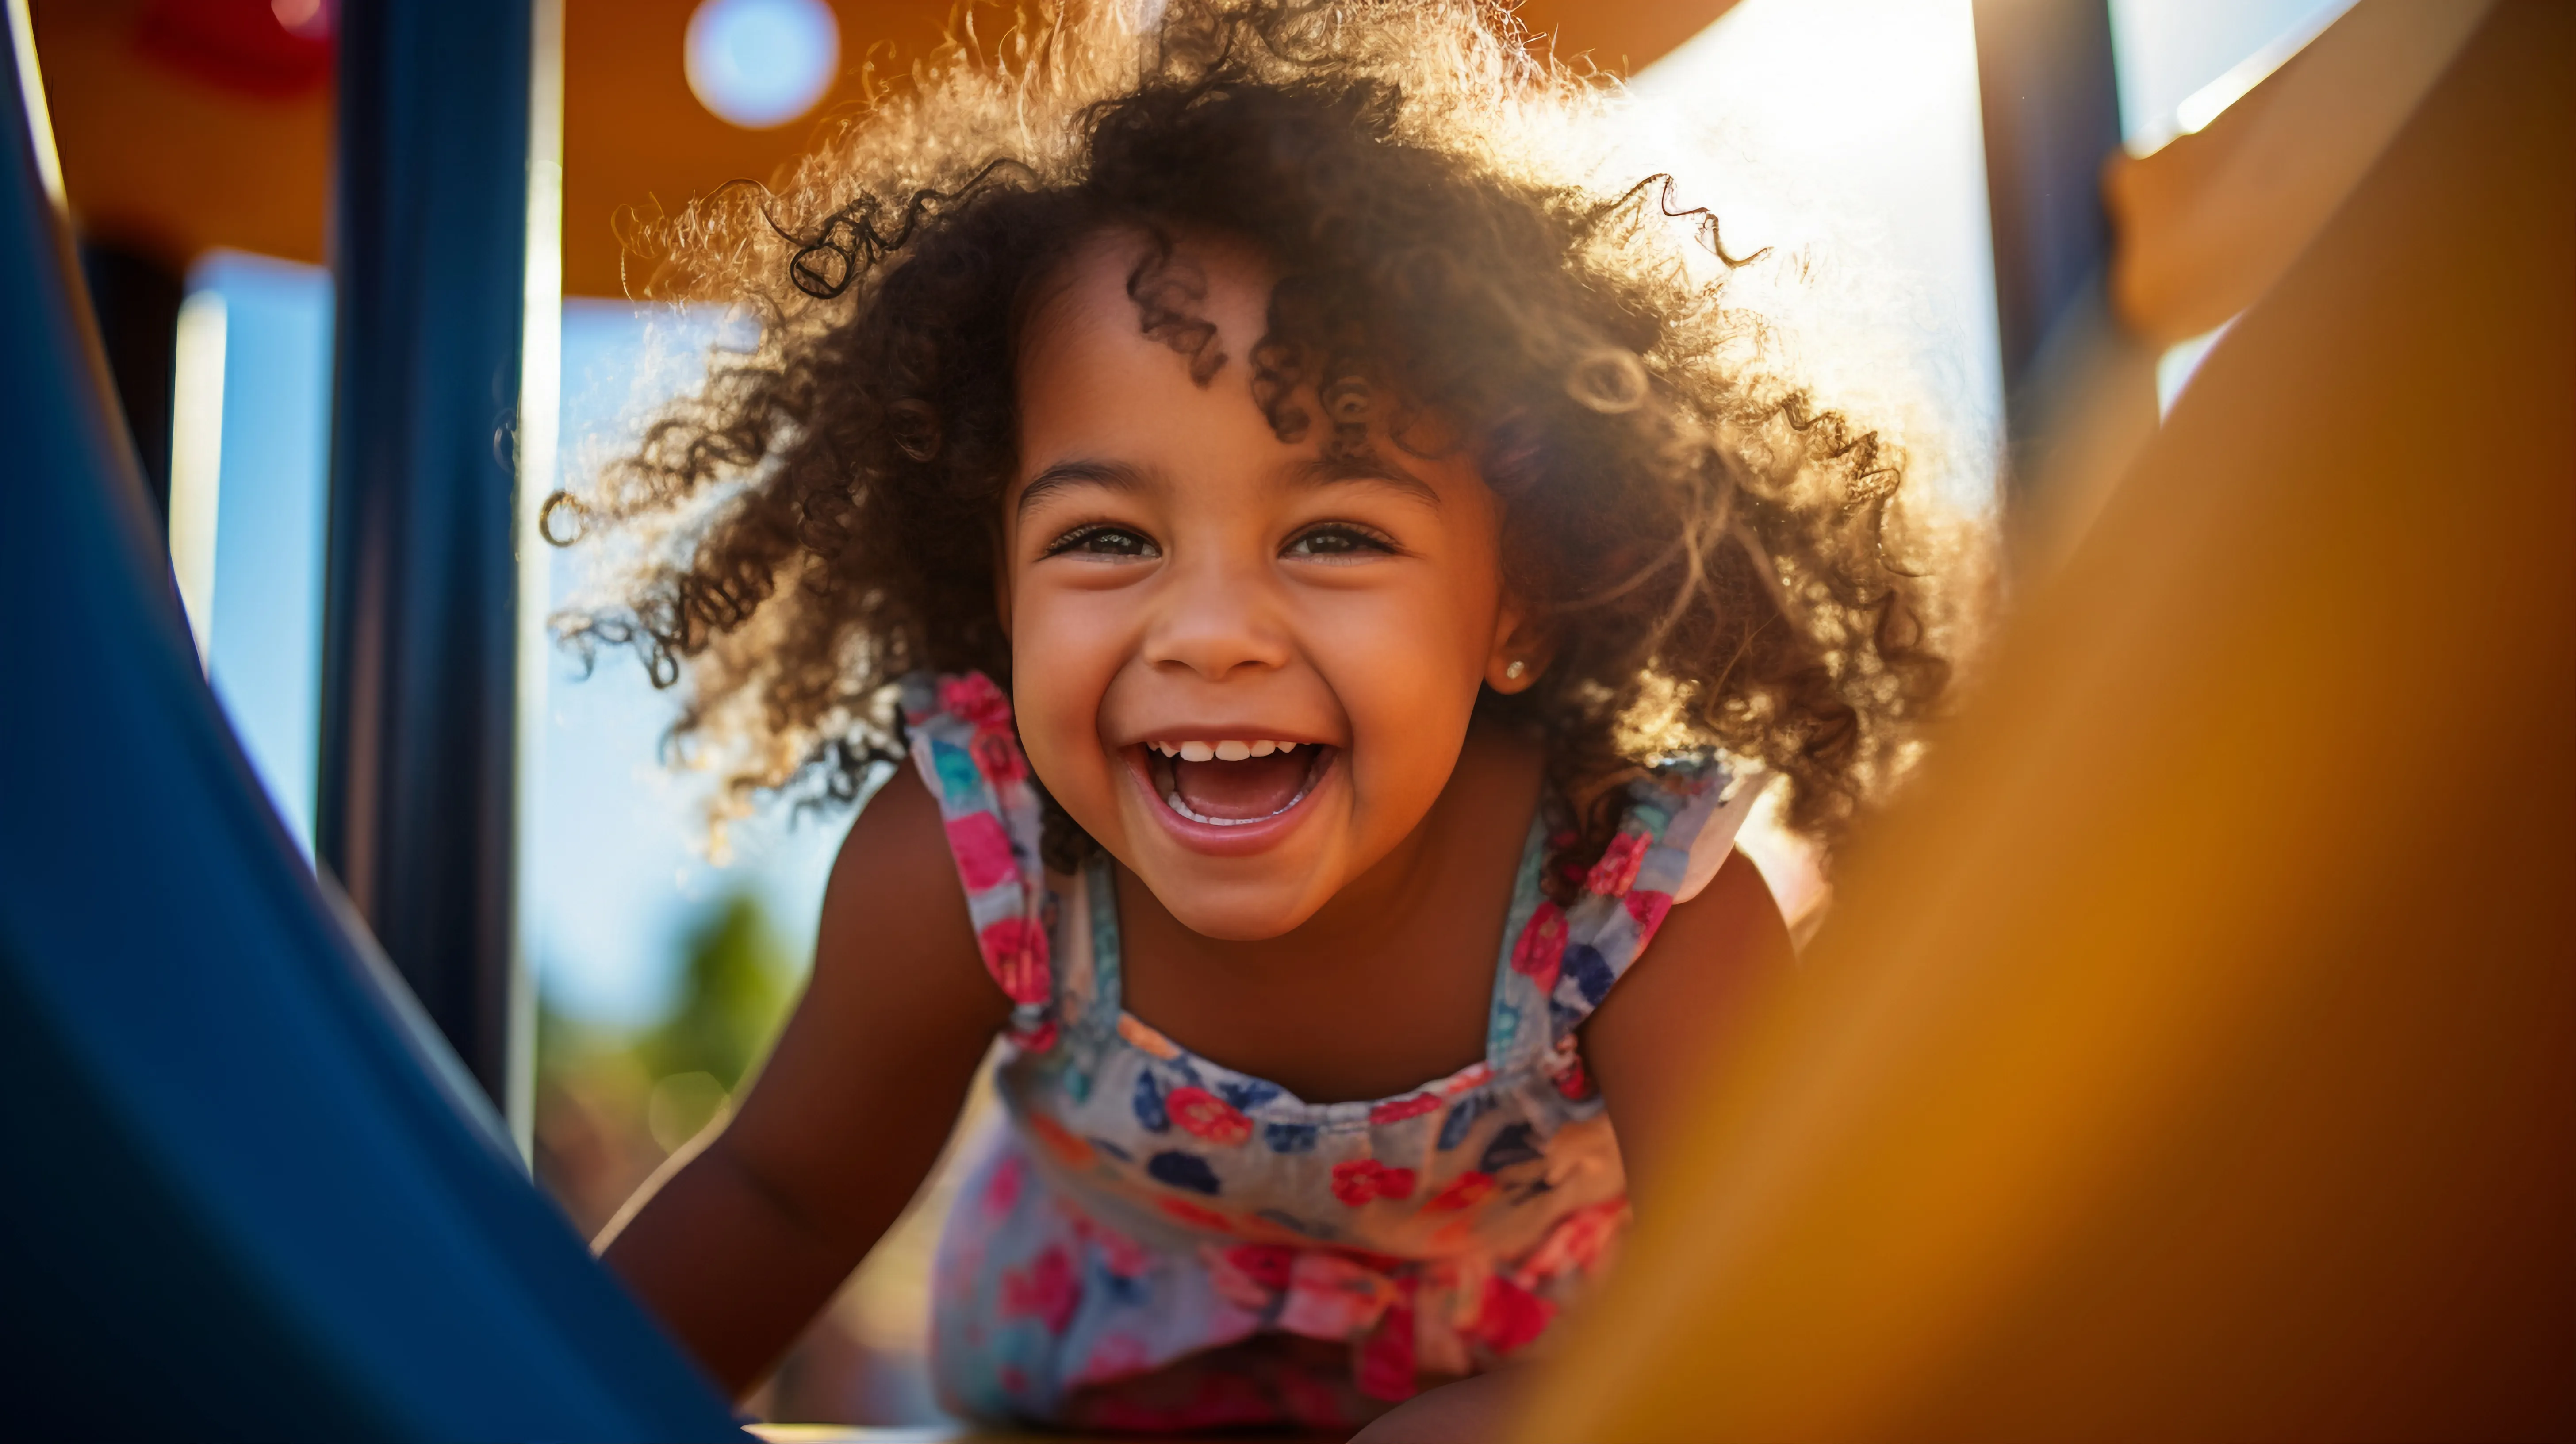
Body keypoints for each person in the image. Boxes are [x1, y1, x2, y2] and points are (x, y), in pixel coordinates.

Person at [566, 0, 1971, 1434]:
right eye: (1107, 539)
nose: (1212, 633)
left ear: (1520, 604)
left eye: (1336, 537)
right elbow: (781, 1197)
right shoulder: (974, 867)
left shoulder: (1641, 921)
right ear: (996, 584)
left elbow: (1783, 1321)